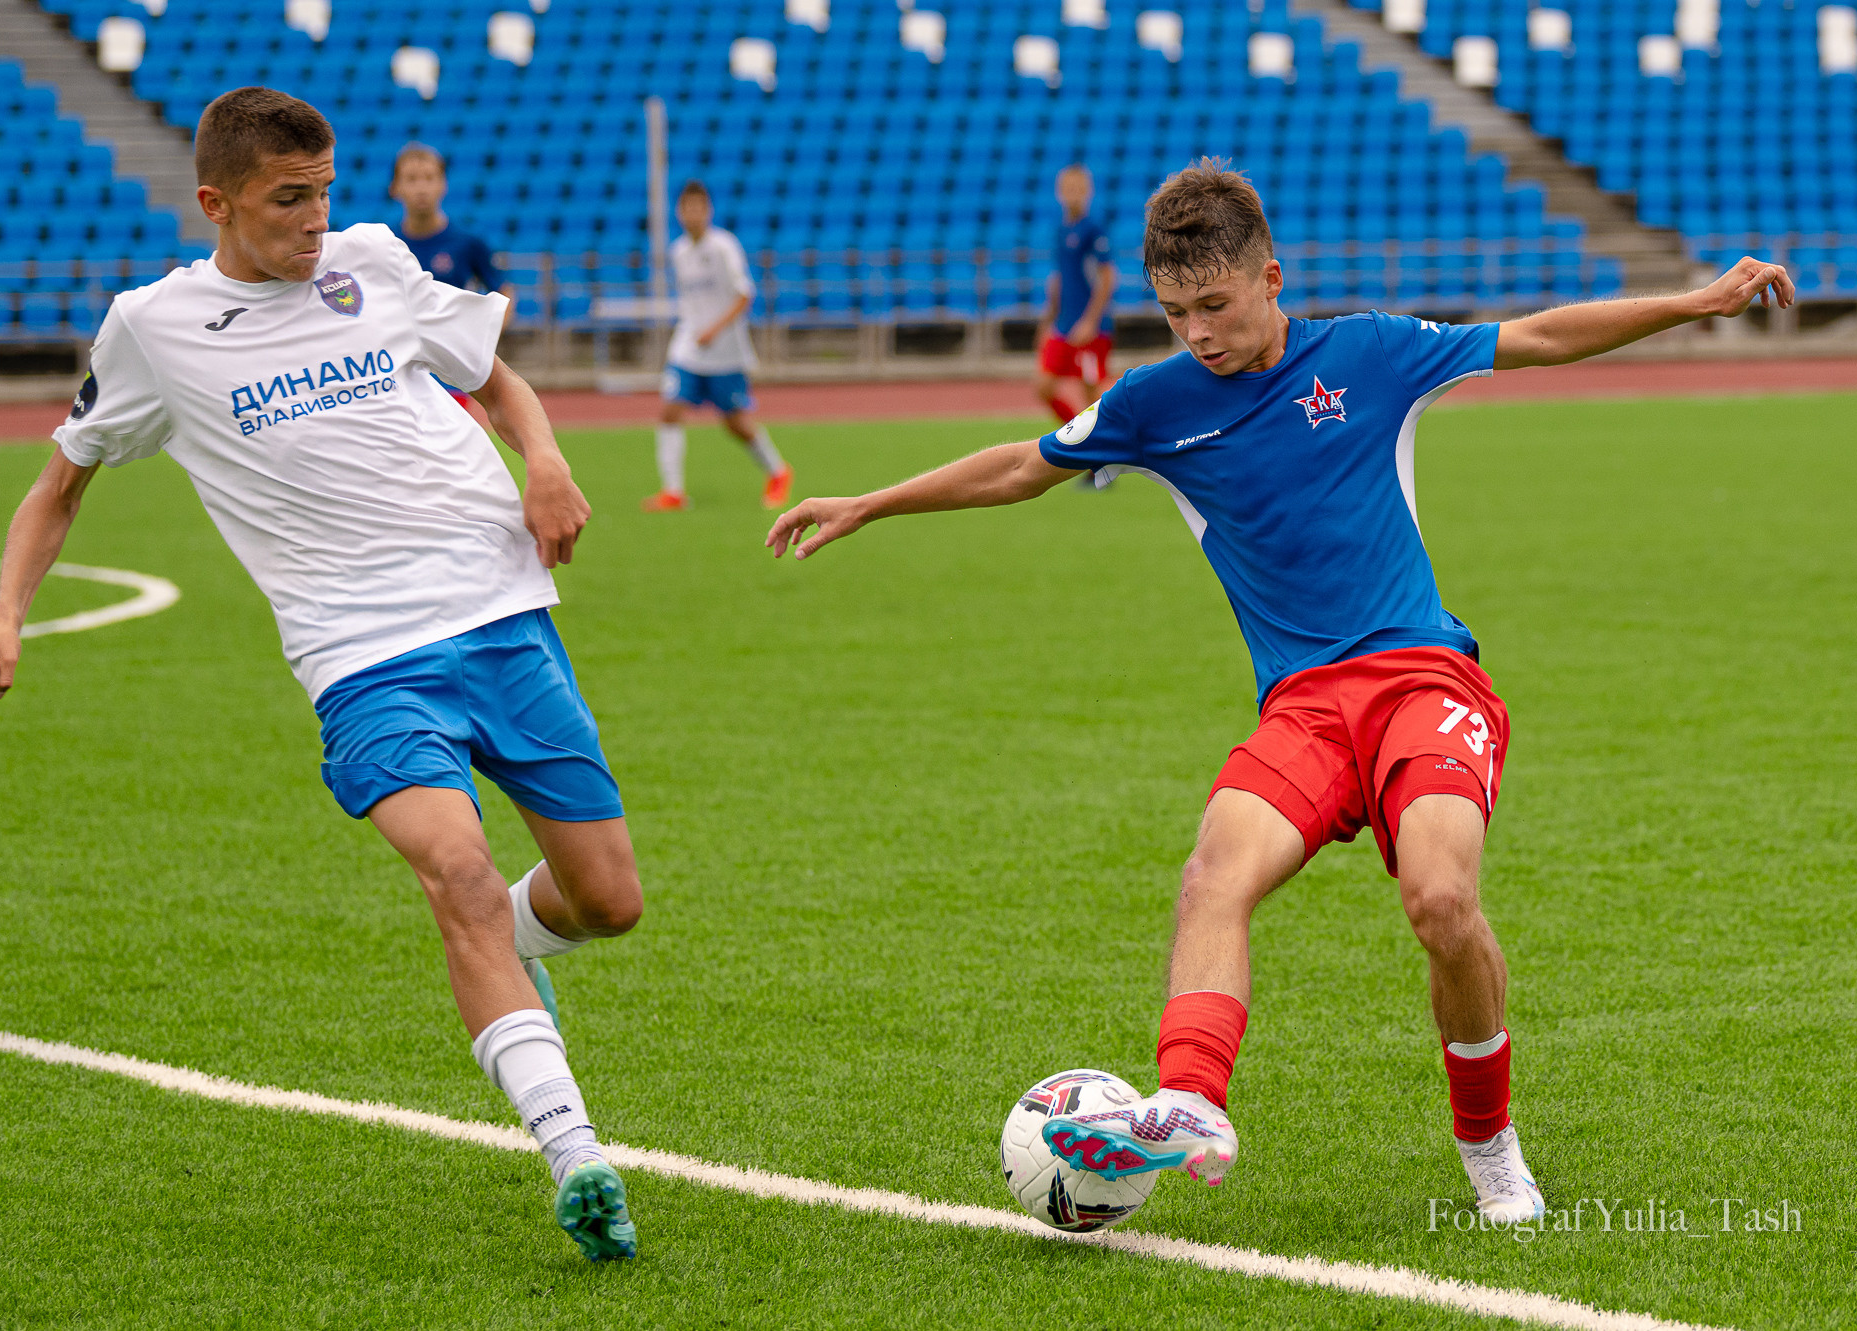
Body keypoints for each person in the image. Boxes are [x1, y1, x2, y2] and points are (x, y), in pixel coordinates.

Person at [765, 161, 1794, 1224]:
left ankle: (1488, 1145)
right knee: (1212, 872)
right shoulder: (1154, 404)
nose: (1197, 332)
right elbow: (1020, 466)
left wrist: (1695, 301)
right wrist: (872, 503)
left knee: (1440, 900)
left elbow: (1535, 334)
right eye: (1173, 312)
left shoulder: (1368, 352)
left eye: (1214, 304)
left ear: (1270, 275)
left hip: (1419, 679)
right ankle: (1189, 1104)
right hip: (1303, 709)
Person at [0, 87, 642, 1263]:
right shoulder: (153, 328)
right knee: (458, 873)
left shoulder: (373, 257)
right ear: (218, 202)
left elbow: (496, 375)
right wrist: (7, 616)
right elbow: (58, 483)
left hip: (500, 616)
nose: (318, 217)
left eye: (326, 189)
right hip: (363, 659)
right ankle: (577, 1153)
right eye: (289, 198)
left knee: (607, 900)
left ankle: (511, 949)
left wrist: (544, 459)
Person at [644, 180, 793, 513]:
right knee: (670, 410)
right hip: (688, 349)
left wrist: (713, 329)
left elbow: (745, 295)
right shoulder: (679, 251)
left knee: (735, 423)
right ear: (679, 213)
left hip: (726, 352)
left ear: (708, 211)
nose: (693, 215)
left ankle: (779, 472)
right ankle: (673, 491)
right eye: (687, 208)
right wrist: (694, 330)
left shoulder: (725, 247)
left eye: (699, 207)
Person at [389, 141, 514, 406]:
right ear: (395, 187)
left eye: (429, 178)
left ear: (443, 184)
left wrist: (482, 342)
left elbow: (504, 292)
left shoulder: (467, 242)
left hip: (450, 374)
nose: (421, 187)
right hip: (399, 373)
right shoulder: (385, 243)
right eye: (411, 179)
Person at [1033, 164, 1117, 427]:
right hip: (1065, 324)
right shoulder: (1060, 230)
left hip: (1090, 328)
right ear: (1059, 193)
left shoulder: (1093, 229)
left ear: (1089, 192)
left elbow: (1107, 277)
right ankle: (1078, 439)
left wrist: (1091, 321)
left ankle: (1100, 450)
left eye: (1079, 189)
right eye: (1068, 189)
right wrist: (1048, 320)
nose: (1073, 194)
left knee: (1092, 393)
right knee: (1043, 387)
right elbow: (1058, 278)